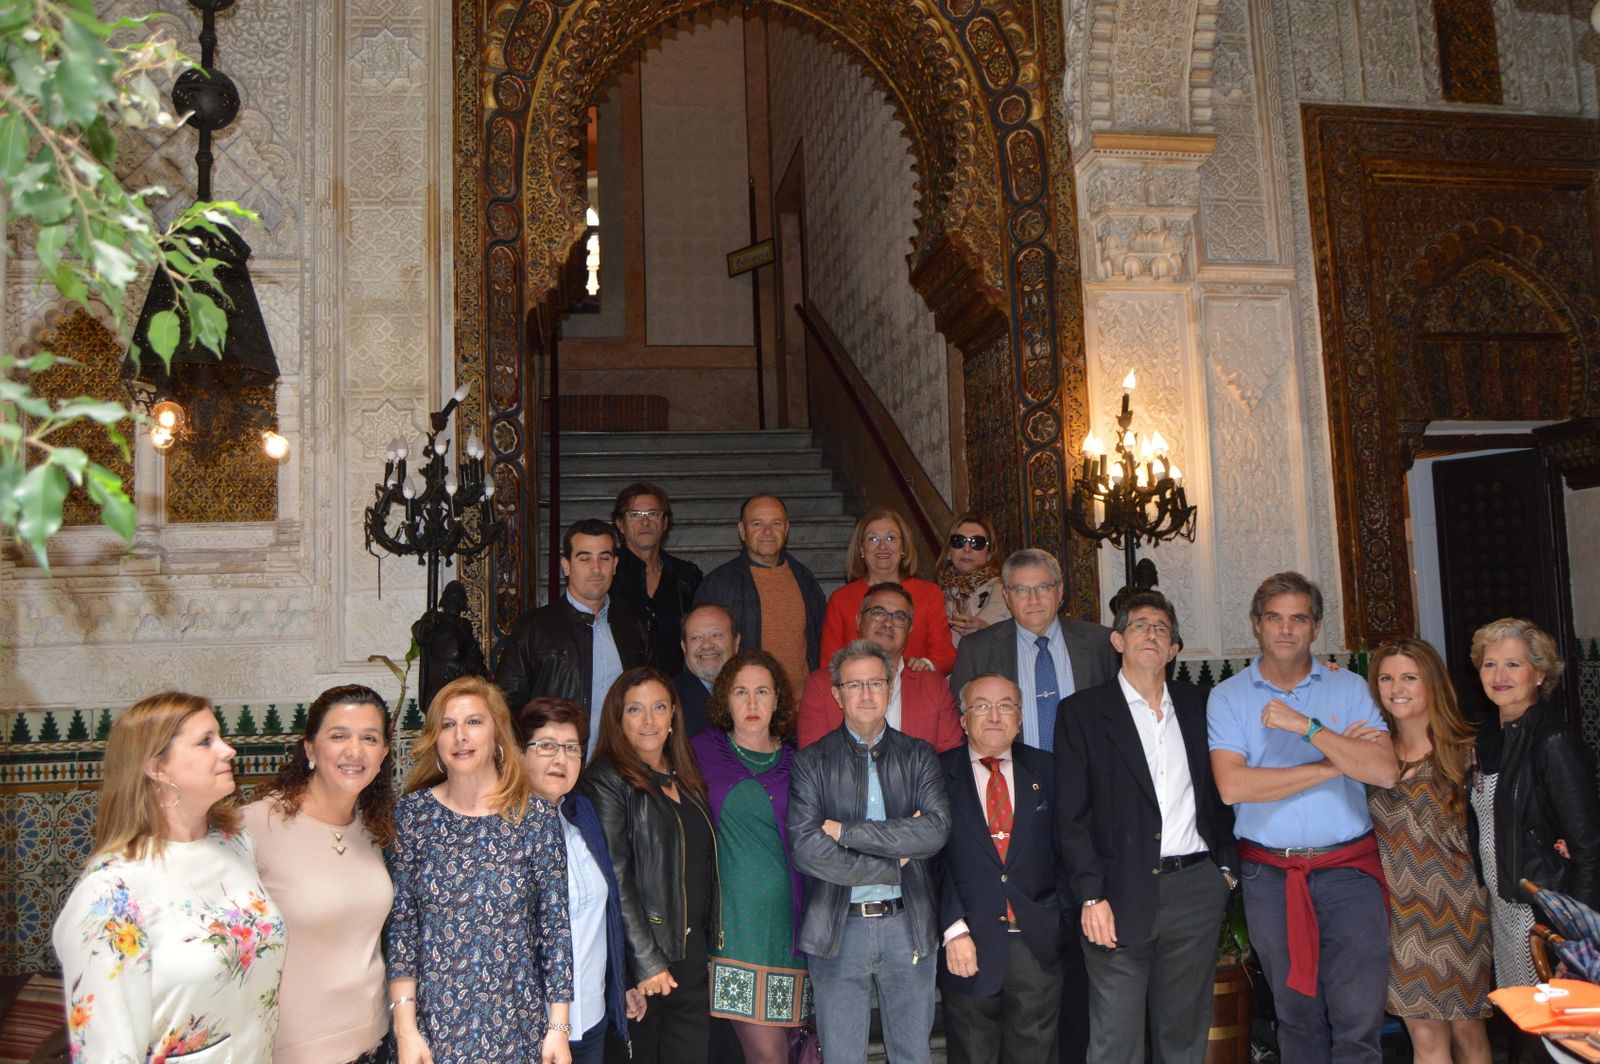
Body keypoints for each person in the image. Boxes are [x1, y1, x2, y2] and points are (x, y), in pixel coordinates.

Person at [1207, 571, 1398, 1062]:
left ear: (1315, 628)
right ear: (1256, 625)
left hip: (1349, 873)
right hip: (1271, 877)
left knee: (1358, 1022)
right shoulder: (1228, 697)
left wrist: (1306, 727)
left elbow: (1383, 770)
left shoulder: (1350, 686)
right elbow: (1234, 786)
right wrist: (1337, 760)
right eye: (1274, 617)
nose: (1286, 629)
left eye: (1299, 618)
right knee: (1296, 1018)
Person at [53, 692, 287, 1061]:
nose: (228, 750)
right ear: (156, 768)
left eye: (221, 736)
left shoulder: (235, 844)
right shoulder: (110, 893)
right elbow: (107, 1052)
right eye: (206, 741)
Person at [1056, 591, 1235, 1064]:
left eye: (1162, 628)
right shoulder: (1083, 713)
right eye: (1139, 625)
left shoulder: (1201, 705)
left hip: (1196, 888)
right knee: (1115, 1042)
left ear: (1174, 649)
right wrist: (1091, 896)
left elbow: (1224, 794)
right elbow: (1070, 818)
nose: (1151, 634)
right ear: (1117, 640)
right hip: (1117, 895)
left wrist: (1225, 872)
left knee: (1183, 1036)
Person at [385, 676, 574, 1064]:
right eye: (447, 725)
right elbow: (402, 925)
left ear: (498, 736)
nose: (460, 736)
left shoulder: (535, 817)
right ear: (435, 740)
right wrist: (406, 1031)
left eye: (474, 722)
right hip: (431, 1029)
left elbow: (554, 927)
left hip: (517, 1026)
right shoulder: (412, 815)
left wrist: (558, 1028)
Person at [788, 639, 952, 1064]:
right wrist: (890, 864)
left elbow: (934, 831)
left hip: (907, 924)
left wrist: (846, 831)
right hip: (839, 930)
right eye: (854, 684)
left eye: (875, 683)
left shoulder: (919, 756)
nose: (865, 694)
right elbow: (808, 850)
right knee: (843, 1057)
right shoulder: (811, 762)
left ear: (890, 687)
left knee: (913, 1055)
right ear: (837, 693)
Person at [243, 684, 397, 1064]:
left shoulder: (374, 829)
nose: (354, 751)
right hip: (291, 1051)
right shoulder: (258, 824)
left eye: (369, 738)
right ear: (310, 748)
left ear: (383, 754)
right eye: (339, 735)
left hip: (372, 1044)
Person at [579, 666, 719, 1064]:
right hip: (647, 966)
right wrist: (644, 962)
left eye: (659, 707)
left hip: (690, 957)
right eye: (634, 710)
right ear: (617, 719)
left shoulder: (684, 776)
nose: (648, 720)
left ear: (674, 714)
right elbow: (616, 877)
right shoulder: (606, 780)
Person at [1362, 640, 1490, 1064]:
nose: (1396, 687)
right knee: (1426, 1040)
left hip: (1463, 912)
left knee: (1468, 1034)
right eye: (1386, 677)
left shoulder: (1468, 752)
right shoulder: (1372, 754)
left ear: (1432, 683)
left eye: (1409, 677)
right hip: (1400, 917)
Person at [936, 673, 1066, 1064]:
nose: (994, 715)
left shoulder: (1049, 770)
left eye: (1005, 705)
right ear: (963, 720)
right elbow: (929, 861)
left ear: (1020, 718)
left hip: (1036, 942)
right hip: (967, 943)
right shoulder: (936, 773)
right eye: (981, 706)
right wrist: (953, 927)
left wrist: (1057, 916)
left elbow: (1071, 847)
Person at [1466, 617, 1600, 990]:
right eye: (1489, 663)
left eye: (1513, 664)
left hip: (1545, 915)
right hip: (1505, 909)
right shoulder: (1490, 739)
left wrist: (1579, 937)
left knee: (1553, 1033)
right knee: (1524, 1027)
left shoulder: (1552, 741)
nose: (1498, 675)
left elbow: (1589, 847)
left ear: (1539, 674)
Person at [690, 650, 810, 1063]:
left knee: (794, 1051)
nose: (753, 703)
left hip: (790, 930)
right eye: (741, 692)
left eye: (763, 691)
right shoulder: (700, 752)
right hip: (733, 929)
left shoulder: (800, 763)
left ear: (778, 699)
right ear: (726, 699)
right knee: (767, 1056)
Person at [517, 697, 645, 1064]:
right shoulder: (502, 831)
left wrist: (620, 984)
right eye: (546, 746)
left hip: (590, 1019)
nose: (561, 759)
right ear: (518, 752)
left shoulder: (581, 814)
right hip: (532, 1026)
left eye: (572, 748)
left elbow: (602, 915)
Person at [496, 518, 648, 752]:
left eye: (604, 558)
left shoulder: (631, 627)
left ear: (615, 565)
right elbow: (505, 706)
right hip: (554, 768)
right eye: (584, 558)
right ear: (566, 565)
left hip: (618, 772)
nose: (596, 569)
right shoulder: (533, 628)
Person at [949, 548, 1119, 753]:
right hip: (1011, 778)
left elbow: (1118, 718)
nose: (1033, 600)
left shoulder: (1100, 643)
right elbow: (961, 724)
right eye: (1021, 590)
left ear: (1060, 591)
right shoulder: (977, 649)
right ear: (1006, 596)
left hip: (1089, 777)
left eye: (1043, 587)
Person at [798, 581, 962, 751]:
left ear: (910, 630)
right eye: (878, 613)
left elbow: (950, 759)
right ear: (859, 620)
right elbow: (812, 762)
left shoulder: (934, 687)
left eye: (899, 617)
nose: (888, 623)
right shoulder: (821, 685)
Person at [694, 494, 828, 700]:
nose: (768, 531)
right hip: (746, 709)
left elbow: (819, 642)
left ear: (787, 528)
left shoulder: (805, 579)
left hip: (802, 711)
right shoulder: (717, 585)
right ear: (742, 531)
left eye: (776, 523)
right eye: (757, 524)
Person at [820, 508, 957, 673]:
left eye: (891, 538)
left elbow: (945, 653)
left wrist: (927, 666)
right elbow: (829, 662)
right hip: (859, 693)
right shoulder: (841, 599)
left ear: (903, 547)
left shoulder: (929, 594)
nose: (883, 546)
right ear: (861, 549)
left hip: (915, 689)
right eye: (873, 539)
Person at [611, 482, 703, 678]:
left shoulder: (686, 576)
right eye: (634, 515)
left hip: (677, 688)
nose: (645, 523)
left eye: (653, 514)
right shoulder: (607, 574)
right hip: (620, 688)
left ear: (664, 523)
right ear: (620, 524)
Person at [937, 512, 1010, 647]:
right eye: (958, 541)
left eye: (977, 543)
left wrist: (985, 630)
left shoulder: (1007, 592)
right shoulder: (934, 597)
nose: (967, 549)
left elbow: (1022, 642)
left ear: (989, 553)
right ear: (948, 551)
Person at [673, 602, 740, 737]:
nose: (707, 645)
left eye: (716, 634)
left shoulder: (759, 690)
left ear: (736, 642)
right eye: (696, 637)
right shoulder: (669, 698)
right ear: (684, 647)